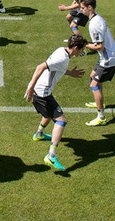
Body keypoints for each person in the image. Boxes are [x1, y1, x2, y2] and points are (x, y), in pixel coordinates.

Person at [24, 34, 87, 171]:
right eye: (81, 50)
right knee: (61, 121)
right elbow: (40, 67)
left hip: (43, 92)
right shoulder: (62, 58)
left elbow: (56, 68)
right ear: (75, 48)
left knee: (48, 113)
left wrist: (70, 73)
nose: (82, 52)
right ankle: (51, 156)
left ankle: (39, 134)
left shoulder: (62, 51)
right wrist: (30, 87)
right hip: (42, 93)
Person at [80, 0, 115, 126]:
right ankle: (100, 101)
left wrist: (84, 44)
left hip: (109, 58)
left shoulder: (94, 24)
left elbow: (99, 46)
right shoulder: (96, 19)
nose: (81, 11)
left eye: (83, 8)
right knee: (93, 77)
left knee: (94, 85)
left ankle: (101, 116)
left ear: (90, 8)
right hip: (105, 56)